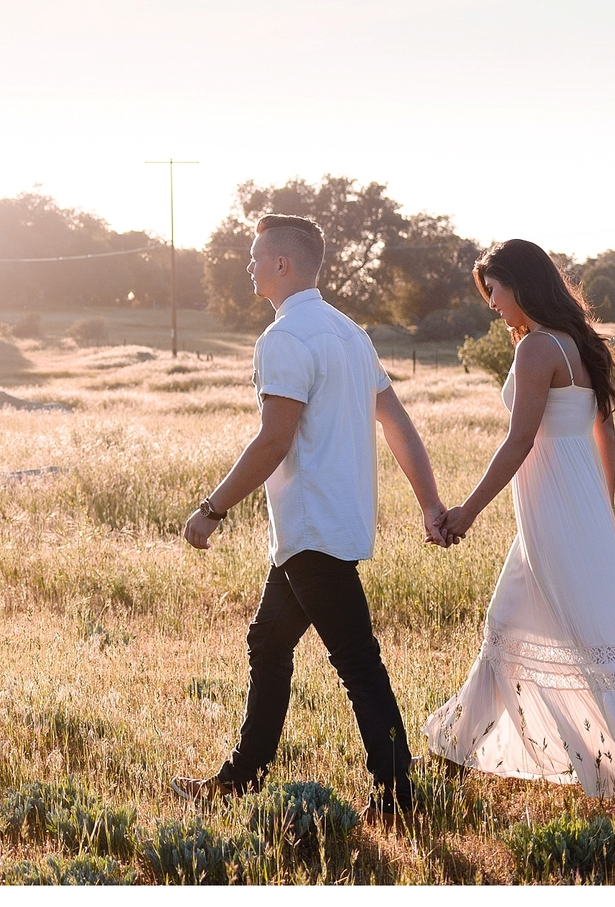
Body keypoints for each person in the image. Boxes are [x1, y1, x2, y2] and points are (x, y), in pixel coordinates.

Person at [421, 240, 615, 809]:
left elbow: (520, 441)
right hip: (576, 503)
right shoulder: (581, 341)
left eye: (494, 291)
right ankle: (453, 750)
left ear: (520, 284)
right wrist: (603, 506)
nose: (491, 305)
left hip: (555, 506)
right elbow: (605, 432)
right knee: (505, 625)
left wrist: (466, 512)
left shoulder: (536, 348)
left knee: (590, 644)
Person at [172, 214, 449, 820]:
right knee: (268, 641)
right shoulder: (350, 333)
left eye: (254, 257)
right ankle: (242, 778)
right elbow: (397, 422)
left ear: (282, 265)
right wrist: (428, 503)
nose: (247, 266)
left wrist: (211, 509)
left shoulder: (285, 339)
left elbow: (274, 440)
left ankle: (399, 796)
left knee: (356, 661)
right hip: (330, 525)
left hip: (312, 527)